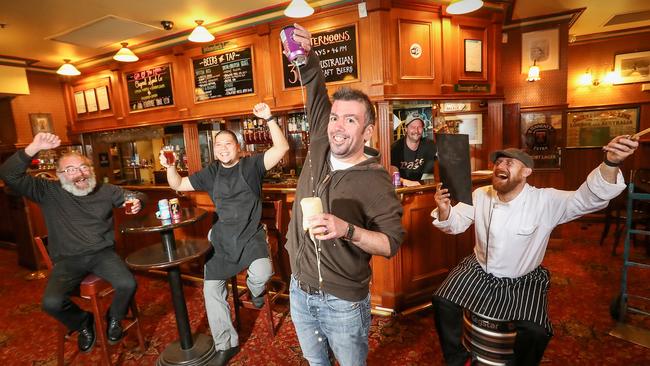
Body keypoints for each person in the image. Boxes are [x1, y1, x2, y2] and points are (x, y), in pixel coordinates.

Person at [430, 136, 639, 365]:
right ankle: (457, 359)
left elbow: (588, 199)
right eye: (498, 162)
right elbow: (455, 224)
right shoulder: (481, 194)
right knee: (442, 300)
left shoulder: (545, 200)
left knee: (536, 331)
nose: (500, 166)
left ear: (526, 172)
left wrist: (610, 163)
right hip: (478, 268)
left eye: (509, 163)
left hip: (522, 278)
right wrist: (444, 210)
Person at [282, 24, 405, 366]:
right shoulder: (321, 143)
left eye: (349, 120)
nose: (336, 126)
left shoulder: (376, 180)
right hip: (299, 290)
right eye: (335, 118)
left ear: (367, 132)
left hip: (344, 302)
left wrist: (347, 230)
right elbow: (314, 87)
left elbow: (390, 244)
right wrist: (307, 55)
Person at [159, 102, 289, 366]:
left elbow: (282, 148)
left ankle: (255, 291)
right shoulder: (211, 173)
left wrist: (269, 118)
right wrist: (170, 166)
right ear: (214, 150)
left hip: (251, 236)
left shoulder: (252, 166)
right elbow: (179, 185)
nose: (223, 148)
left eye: (228, 144)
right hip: (221, 238)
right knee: (211, 291)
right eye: (218, 145)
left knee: (262, 274)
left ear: (238, 147)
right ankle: (226, 344)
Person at [0, 133, 143, 354]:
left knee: (128, 284)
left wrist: (136, 202)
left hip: (102, 254)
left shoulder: (105, 190)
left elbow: (136, 195)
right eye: (70, 170)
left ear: (91, 170)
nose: (79, 173)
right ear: (59, 175)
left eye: (84, 167)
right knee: (51, 303)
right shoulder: (47, 191)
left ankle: (114, 318)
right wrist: (34, 146)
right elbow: (8, 174)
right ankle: (82, 322)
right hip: (68, 259)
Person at [390, 112, 437, 186]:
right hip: (402, 190)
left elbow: (441, 165)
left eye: (419, 127)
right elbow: (392, 175)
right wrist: (407, 182)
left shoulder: (430, 145)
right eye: (413, 127)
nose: (416, 131)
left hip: (423, 189)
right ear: (406, 129)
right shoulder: (396, 148)